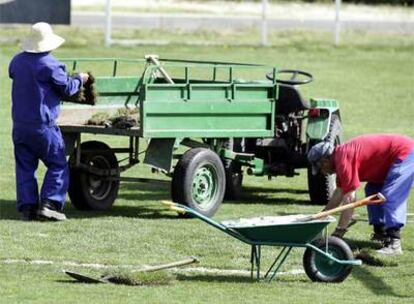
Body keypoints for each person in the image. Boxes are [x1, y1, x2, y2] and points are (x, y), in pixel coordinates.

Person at [8, 22, 89, 221]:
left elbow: (15, 74)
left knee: (25, 167)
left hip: (20, 125)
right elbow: (67, 88)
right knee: (58, 164)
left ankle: (28, 209)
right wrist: (81, 78)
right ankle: (49, 204)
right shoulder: (50, 64)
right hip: (43, 126)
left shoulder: (17, 61)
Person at [308, 134, 414, 255]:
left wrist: (339, 231)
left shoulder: (343, 158)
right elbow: (339, 192)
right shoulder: (339, 158)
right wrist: (321, 215)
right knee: (373, 191)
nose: (323, 171)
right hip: (392, 158)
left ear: (325, 160)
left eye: (321, 167)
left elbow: (350, 199)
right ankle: (381, 235)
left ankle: (394, 243)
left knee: (390, 196)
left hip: (405, 152)